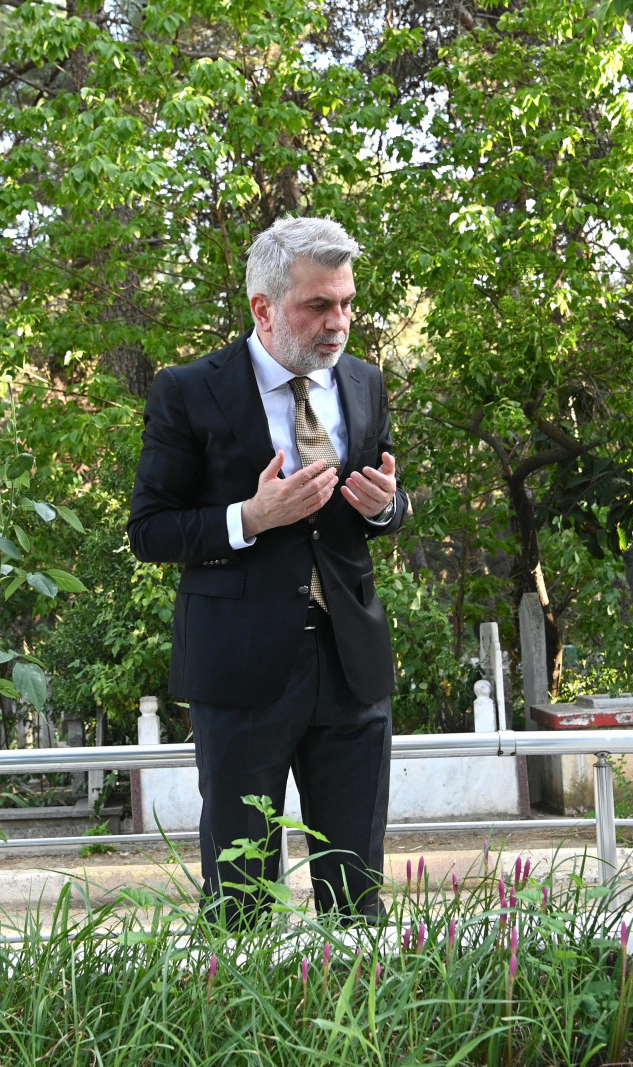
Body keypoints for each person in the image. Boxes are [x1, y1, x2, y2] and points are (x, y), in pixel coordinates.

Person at [126, 217, 409, 924]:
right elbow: (149, 530)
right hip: (241, 668)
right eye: (319, 305)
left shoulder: (365, 383)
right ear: (264, 307)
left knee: (357, 898)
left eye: (346, 303)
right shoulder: (189, 390)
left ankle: (358, 999)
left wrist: (386, 508)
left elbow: (389, 504)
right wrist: (249, 517)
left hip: (351, 665)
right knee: (241, 902)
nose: (338, 322)